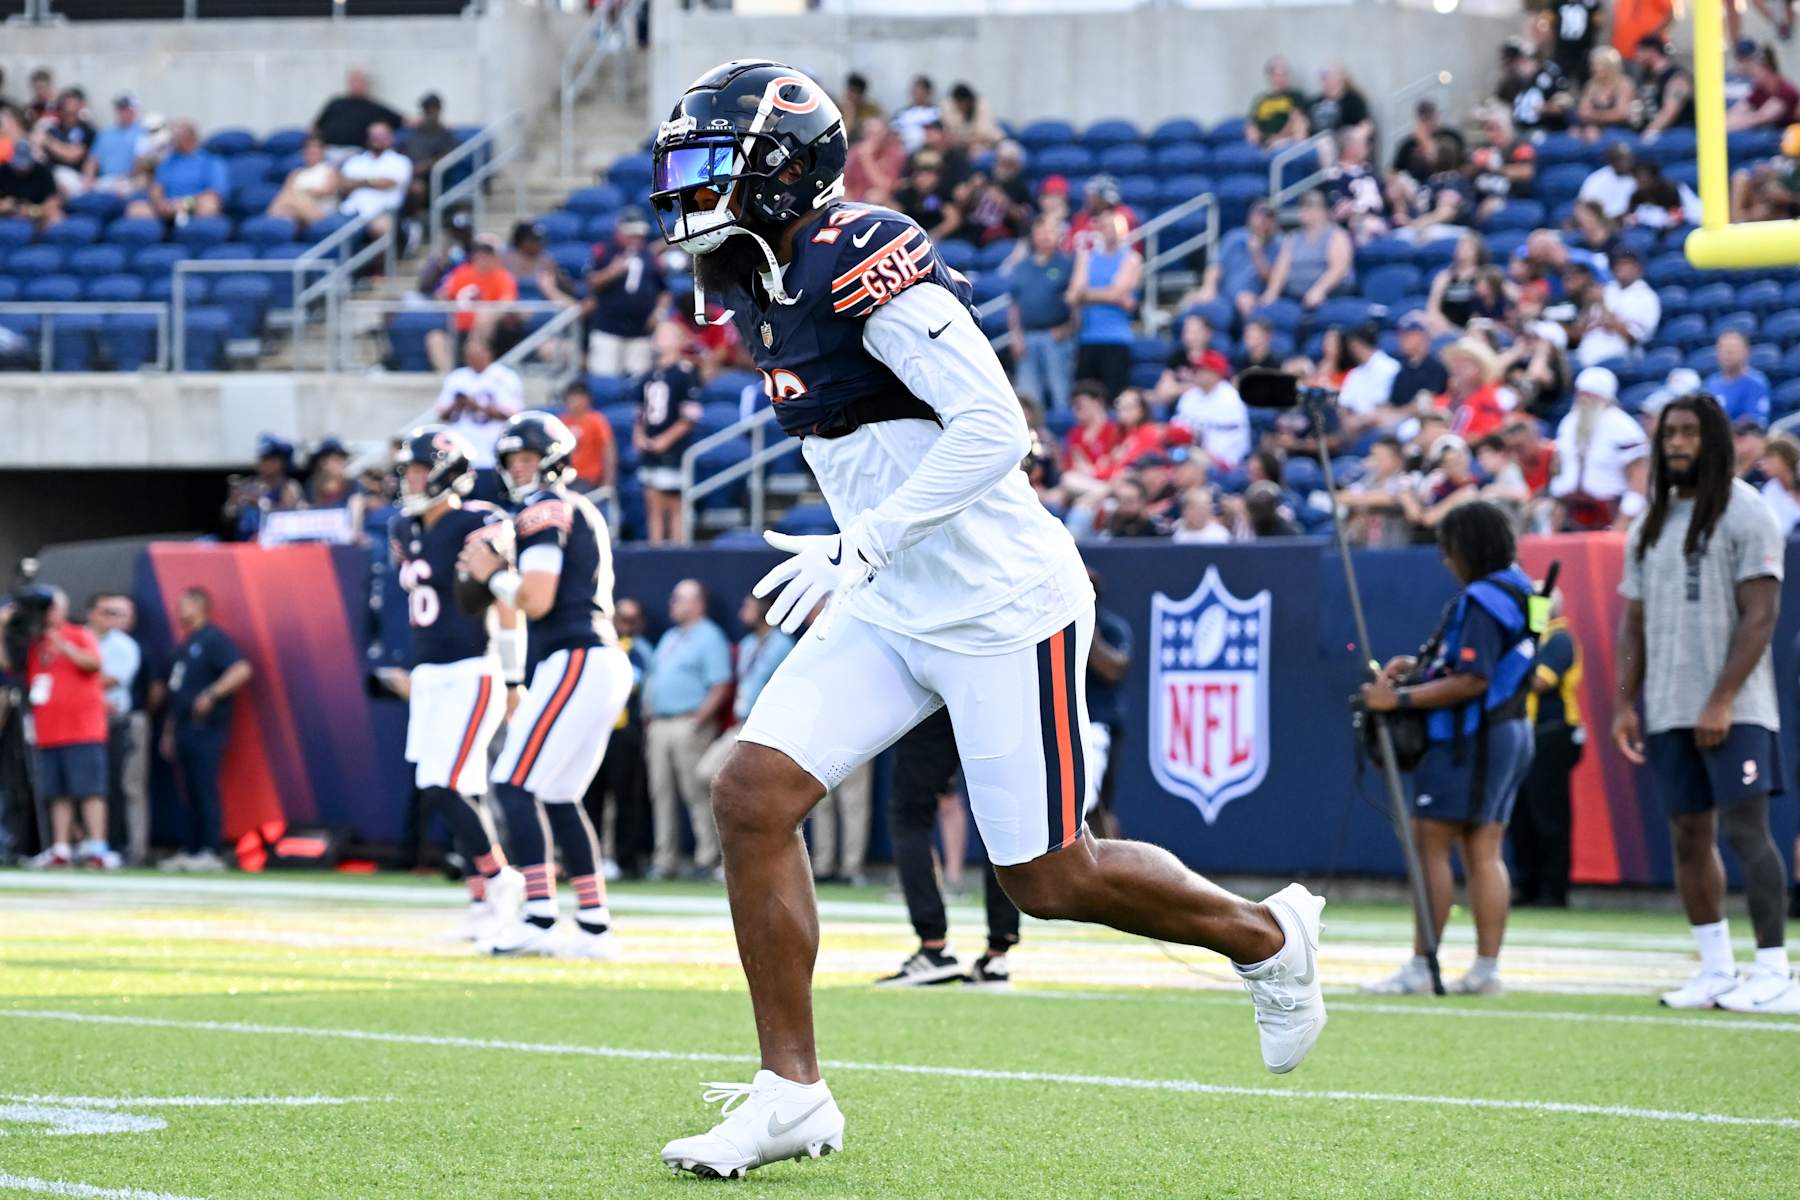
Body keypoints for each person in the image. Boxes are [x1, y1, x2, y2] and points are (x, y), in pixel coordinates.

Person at [651, 62, 1326, 1179]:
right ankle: (791, 1094)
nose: (687, 189)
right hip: (895, 595)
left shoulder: (860, 258)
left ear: (778, 170)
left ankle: (1268, 936)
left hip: (1003, 601)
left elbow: (993, 428)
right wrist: (869, 550)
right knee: (751, 793)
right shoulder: (756, 276)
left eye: (707, 163)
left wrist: (864, 538)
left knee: (1048, 878)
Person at [1614, 395, 1799, 1013]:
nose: (1676, 444)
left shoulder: (1748, 512)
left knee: (1747, 832)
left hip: (1737, 707)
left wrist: (1720, 699)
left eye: (1690, 432)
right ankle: (1717, 970)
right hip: (1668, 707)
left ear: (1713, 439)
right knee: (1688, 836)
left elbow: (1761, 615)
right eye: (1670, 433)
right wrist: (1623, 704)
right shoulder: (1648, 522)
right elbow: (1632, 624)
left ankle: (1775, 969)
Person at [455, 412, 632, 959]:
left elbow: (536, 599)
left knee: (512, 782)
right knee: (557, 793)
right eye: (512, 461)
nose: (518, 469)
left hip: (576, 656)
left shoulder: (544, 509)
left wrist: (490, 572)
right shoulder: (570, 508)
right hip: (594, 659)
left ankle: (538, 916)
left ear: (553, 460)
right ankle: (596, 925)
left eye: (528, 459)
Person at [1361, 501, 1541, 996]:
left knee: (1431, 842)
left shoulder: (1481, 598)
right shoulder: (1525, 589)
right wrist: (1421, 668)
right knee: (1485, 848)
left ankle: (1424, 965)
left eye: (1449, 547)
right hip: (1511, 729)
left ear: (1470, 547)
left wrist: (1397, 697)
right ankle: (1485, 968)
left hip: (1471, 737)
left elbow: (1474, 679)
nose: (1444, 558)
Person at [387, 427, 529, 942]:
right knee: (456, 787)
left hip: (474, 667)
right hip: (430, 671)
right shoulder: (404, 528)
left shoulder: (481, 522)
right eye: (409, 471)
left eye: (421, 470)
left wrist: (514, 676)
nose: (411, 481)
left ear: (447, 474)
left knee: (442, 783)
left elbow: (505, 600)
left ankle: (499, 878)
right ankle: (481, 899)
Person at [876, 707, 1021, 988]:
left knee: (910, 815)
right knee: (1000, 815)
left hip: (938, 693)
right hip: (998, 694)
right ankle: (997, 956)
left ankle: (935, 947)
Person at [12, 589, 114, 869]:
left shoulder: (78, 634)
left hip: (83, 729)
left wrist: (65, 646)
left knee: (91, 790)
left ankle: (97, 847)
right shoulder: (35, 644)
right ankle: (61, 848)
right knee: (57, 794)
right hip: (49, 732)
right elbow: (12, 668)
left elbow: (94, 663)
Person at [642, 579, 732, 881]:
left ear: (698, 604)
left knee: (696, 794)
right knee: (661, 794)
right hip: (660, 725)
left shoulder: (710, 637)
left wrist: (698, 720)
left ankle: (707, 858)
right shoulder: (670, 637)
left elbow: (720, 683)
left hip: (688, 724)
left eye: (680, 599)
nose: (673, 604)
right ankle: (664, 859)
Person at [156, 588, 252, 872]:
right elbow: (177, 693)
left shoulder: (213, 639)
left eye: (184, 605)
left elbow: (241, 669)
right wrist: (169, 732)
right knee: (189, 791)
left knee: (205, 788)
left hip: (206, 728)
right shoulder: (184, 645)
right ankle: (192, 848)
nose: (179, 611)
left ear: (201, 606)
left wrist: (212, 694)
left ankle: (211, 850)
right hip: (183, 727)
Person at [1511, 592, 1583, 908]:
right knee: (1522, 813)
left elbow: (1540, 681)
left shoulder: (1558, 640)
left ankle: (1553, 890)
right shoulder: (1531, 641)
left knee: (1548, 813)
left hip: (1550, 735)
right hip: (1525, 733)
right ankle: (1527, 884)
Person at [696, 593, 794, 804]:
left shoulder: (782, 644)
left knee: (762, 789)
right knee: (707, 772)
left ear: (764, 609)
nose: (742, 612)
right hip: (743, 724)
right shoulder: (747, 644)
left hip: (768, 728)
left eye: (748, 606)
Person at [587, 596, 652, 879]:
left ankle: (625, 861)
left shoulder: (639, 649)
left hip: (624, 733)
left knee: (626, 799)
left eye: (630, 619)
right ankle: (590, 858)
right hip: (596, 730)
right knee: (591, 799)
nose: (624, 624)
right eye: (620, 618)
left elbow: (634, 683)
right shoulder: (598, 649)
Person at [1548, 366, 1649, 529]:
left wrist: (1623, 522)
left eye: (1590, 395)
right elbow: (1559, 468)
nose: (1583, 400)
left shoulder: (1622, 426)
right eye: (1580, 394)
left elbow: (1639, 477)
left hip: (1609, 512)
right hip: (1571, 510)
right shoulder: (1568, 423)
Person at [87, 593, 146, 866]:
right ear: (92, 613)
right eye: (107, 612)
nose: (113, 619)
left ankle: (130, 849)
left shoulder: (124, 646)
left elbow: (109, 680)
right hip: (83, 722)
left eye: (118, 613)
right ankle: (88, 844)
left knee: (125, 786)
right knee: (87, 786)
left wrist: (75, 673)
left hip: (117, 722)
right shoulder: (81, 639)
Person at [633, 321, 703, 545]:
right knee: (652, 500)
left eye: (667, 335)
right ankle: (655, 546)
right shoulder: (649, 375)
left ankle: (677, 546)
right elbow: (641, 412)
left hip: (673, 447)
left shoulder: (685, 373)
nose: (661, 339)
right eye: (659, 335)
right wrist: (639, 435)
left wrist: (665, 440)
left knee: (673, 502)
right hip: (650, 446)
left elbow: (689, 417)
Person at [432, 335, 523, 502]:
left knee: (489, 506)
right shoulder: (457, 377)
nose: (473, 359)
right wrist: (458, 404)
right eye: (469, 355)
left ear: (488, 354)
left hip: (491, 455)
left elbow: (513, 415)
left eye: (477, 354)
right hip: (462, 457)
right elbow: (442, 413)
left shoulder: (504, 377)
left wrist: (478, 407)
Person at [1066, 211, 1141, 401]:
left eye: (1114, 226)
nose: (1110, 231)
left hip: (1116, 340)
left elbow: (1114, 292)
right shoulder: (1087, 257)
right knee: (1085, 399)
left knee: (1114, 399)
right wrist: (1112, 296)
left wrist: (1087, 294)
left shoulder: (1131, 258)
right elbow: (1073, 295)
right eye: (1105, 226)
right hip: (1087, 338)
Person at [1007, 214, 1076, 414]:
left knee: (1060, 392)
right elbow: (1014, 305)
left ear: (1058, 235)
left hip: (1056, 336)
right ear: (1033, 235)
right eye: (1041, 231)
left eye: (1050, 231)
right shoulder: (1021, 266)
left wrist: (1068, 329)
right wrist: (1016, 336)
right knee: (1028, 397)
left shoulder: (1067, 264)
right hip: (1027, 336)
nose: (1046, 236)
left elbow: (1076, 303)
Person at [585, 211, 665, 377]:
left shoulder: (649, 257)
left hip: (640, 332)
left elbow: (663, 291)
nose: (635, 238)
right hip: (608, 329)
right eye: (631, 234)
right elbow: (591, 282)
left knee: (637, 380)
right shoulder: (605, 252)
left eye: (639, 234)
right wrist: (612, 272)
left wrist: (658, 312)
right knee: (604, 377)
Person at [1261, 191, 1355, 311]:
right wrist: (1271, 292)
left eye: (1310, 207)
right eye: (1303, 207)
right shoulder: (1293, 238)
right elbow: (1281, 268)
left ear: (1322, 211)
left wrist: (1319, 290)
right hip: (1293, 297)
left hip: (1329, 297)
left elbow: (1338, 269)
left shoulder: (1336, 235)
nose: (1305, 212)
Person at [1574, 246, 1660, 368]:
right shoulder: (1608, 289)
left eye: (1625, 264)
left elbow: (1632, 338)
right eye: (1617, 264)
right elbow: (1581, 330)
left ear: (1638, 268)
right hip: (1586, 354)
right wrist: (1588, 304)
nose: (1620, 268)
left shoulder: (1646, 296)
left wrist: (1602, 304)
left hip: (1620, 358)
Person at [1196, 199, 1279, 317]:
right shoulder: (1234, 237)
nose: (1263, 221)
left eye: (1268, 217)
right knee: (1194, 302)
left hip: (1253, 297)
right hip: (1224, 295)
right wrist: (1209, 288)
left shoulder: (1277, 245)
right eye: (1259, 216)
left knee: (1246, 302)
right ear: (1250, 217)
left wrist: (1257, 253)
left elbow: (1270, 280)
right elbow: (1215, 266)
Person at [1172, 350, 1251, 471]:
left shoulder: (1231, 400)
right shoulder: (1190, 395)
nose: (1196, 373)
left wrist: (1212, 457)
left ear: (1215, 373)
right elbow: (1177, 426)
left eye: (1201, 370)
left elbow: (1236, 442)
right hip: (1189, 454)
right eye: (1196, 370)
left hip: (1221, 461)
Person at [337, 122, 411, 243]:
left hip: (384, 211)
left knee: (381, 228)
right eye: (373, 135)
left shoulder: (400, 161)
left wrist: (359, 182)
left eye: (381, 135)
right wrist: (373, 181)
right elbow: (343, 184)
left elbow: (387, 183)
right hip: (351, 211)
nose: (377, 139)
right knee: (327, 226)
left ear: (391, 138)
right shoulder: (355, 161)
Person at [142, 120, 226, 220]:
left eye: (176, 136)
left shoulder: (211, 161)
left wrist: (185, 204)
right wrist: (160, 204)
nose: (172, 140)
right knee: (136, 209)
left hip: (195, 206)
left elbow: (213, 193)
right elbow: (157, 188)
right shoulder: (167, 162)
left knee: (209, 204)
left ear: (189, 137)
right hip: (167, 207)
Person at [313, 68, 404, 153]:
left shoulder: (373, 108)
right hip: (329, 151)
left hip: (356, 152)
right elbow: (316, 126)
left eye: (359, 81)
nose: (356, 84)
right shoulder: (335, 103)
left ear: (365, 84)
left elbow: (400, 119)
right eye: (354, 81)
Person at [1437, 338, 1510, 441]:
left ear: (1480, 370)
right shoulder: (1441, 401)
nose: (1457, 367)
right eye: (1455, 362)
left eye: (1464, 363)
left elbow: (1489, 434)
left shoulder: (1490, 398)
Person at [402, 93, 459, 218]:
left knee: (417, 188)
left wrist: (426, 165)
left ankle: (414, 220)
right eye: (426, 109)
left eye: (432, 109)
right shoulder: (415, 132)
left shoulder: (445, 134)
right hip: (407, 174)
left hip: (432, 179)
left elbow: (448, 156)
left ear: (439, 110)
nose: (429, 113)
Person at [267, 135, 342, 227]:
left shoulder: (329, 169)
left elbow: (329, 191)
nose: (311, 152)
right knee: (285, 201)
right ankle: (278, 226)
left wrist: (303, 192)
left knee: (289, 199)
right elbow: (285, 192)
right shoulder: (296, 173)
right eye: (308, 149)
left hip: (319, 209)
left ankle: (274, 221)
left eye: (315, 149)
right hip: (296, 209)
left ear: (322, 151)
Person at [85, 92, 151, 195]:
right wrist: (88, 179)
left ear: (134, 110)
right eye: (120, 109)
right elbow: (92, 160)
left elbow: (141, 163)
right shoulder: (106, 133)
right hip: (105, 181)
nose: (123, 112)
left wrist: (127, 178)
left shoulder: (143, 133)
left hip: (130, 181)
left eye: (126, 109)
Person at [1704, 331, 1773, 427]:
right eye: (1723, 349)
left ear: (1746, 352)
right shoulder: (1710, 382)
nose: (1728, 354)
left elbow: (1755, 421)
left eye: (1733, 350)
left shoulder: (1755, 383)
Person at [561, 379, 617, 495]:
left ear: (587, 399)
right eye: (572, 398)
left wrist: (608, 482)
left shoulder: (596, 421)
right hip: (564, 478)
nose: (575, 402)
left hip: (587, 479)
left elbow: (608, 451)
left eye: (578, 398)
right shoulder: (563, 421)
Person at [1727, 44, 1800, 131]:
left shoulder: (1785, 91)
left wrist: (1730, 124)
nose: (1751, 74)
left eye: (1753, 69)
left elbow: (1761, 117)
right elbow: (1739, 109)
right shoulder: (1761, 88)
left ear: (1766, 69)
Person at [39, 89, 96, 198]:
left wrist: (48, 141)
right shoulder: (53, 128)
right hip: (49, 174)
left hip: (74, 177)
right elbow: (37, 149)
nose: (70, 109)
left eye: (74, 104)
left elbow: (72, 156)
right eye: (66, 104)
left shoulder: (86, 130)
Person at [1636, 36, 1695, 138]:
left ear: (1652, 51)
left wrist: (1647, 136)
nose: (1636, 56)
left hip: (1677, 133)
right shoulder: (1648, 76)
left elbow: (1669, 111)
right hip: (1653, 132)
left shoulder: (1678, 77)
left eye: (1640, 51)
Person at [1388, 312, 1449, 408]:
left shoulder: (1436, 367)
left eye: (1408, 335)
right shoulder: (1401, 365)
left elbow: (1425, 405)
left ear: (1423, 337)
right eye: (1401, 334)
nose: (1401, 339)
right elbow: (1394, 402)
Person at [1574, 47, 1638, 139]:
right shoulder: (1591, 85)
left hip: (1620, 130)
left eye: (1598, 65)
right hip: (1593, 129)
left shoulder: (1624, 84)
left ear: (1610, 66)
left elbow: (1622, 113)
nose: (1594, 68)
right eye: (1593, 65)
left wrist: (1594, 115)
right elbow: (1583, 112)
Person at [843, 115, 906, 206]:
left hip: (880, 203)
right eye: (870, 133)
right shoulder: (855, 152)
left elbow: (886, 186)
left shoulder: (895, 153)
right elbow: (845, 182)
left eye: (878, 133)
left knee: (876, 197)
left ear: (886, 134)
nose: (874, 138)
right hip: (854, 202)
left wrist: (867, 158)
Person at [1247, 56, 1309, 146]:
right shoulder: (1261, 100)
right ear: (1270, 76)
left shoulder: (1295, 96)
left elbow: (1296, 120)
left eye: (1284, 74)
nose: (1281, 78)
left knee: (1301, 124)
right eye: (1278, 75)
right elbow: (1251, 124)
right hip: (1262, 144)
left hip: (1286, 141)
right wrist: (1259, 139)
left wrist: (1277, 138)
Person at [1579, 142, 1638, 220]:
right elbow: (1584, 205)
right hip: (1603, 222)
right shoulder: (1596, 179)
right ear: (1610, 160)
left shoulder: (1640, 178)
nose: (1624, 162)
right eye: (1618, 159)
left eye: (1627, 158)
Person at [1757, 432, 1800, 534]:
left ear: (1787, 458)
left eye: (1769, 457)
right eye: (1762, 459)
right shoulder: (1769, 490)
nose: (1762, 464)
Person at [940, 83, 1003, 153]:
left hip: (991, 143)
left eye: (960, 103)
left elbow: (984, 134)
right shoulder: (950, 108)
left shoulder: (981, 107)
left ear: (968, 101)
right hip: (966, 145)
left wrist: (963, 140)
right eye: (956, 103)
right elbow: (948, 133)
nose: (958, 106)